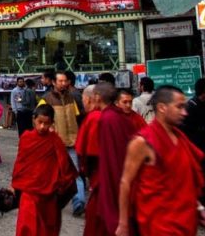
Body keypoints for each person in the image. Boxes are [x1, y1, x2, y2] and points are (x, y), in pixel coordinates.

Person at [116, 86, 205, 236]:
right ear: (162, 107)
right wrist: (123, 223)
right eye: (179, 107)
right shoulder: (142, 142)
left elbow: (183, 179)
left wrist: (198, 206)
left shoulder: (180, 138)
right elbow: (125, 183)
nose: (184, 112)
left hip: (184, 219)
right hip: (158, 223)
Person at [11, 104, 79, 236]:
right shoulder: (26, 138)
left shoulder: (55, 141)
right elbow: (20, 162)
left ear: (52, 123)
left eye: (46, 123)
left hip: (48, 194)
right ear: (33, 120)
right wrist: (14, 183)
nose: (42, 126)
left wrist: (61, 185)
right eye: (40, 122)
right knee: (27, 227)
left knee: (46, 229)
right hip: (29, 193)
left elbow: (64, 166)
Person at [95, 87, 145, 236]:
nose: (128, 106)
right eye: (125, 102)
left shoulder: (135, 119)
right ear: (117, 103)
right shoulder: (112, 119)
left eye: (130, 102)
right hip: (118, 173)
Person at [37, 70, 86, 217]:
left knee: (75, 173)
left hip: (72, 141)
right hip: (54, 143)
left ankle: (79, 202)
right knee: (51, 175)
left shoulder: (72, 98)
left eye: (65, 81)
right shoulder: (45, 99)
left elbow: (77, 117)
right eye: (60, 81)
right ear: (54, 82)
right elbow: (37, 119)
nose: (64, 83)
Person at [76, 83, 114, 236]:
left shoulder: (95, 118)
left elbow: (91, 153)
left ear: (91, 99)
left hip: (102, 178)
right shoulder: (112, 115)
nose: (83, 103)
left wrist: (86, 172)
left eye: (84, 99)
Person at [179, 78, 205, 209]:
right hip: (196, 147)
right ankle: (201, 204)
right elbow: (185, 128)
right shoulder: (192, 106)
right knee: (201, 176)